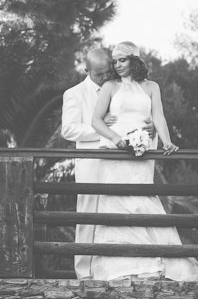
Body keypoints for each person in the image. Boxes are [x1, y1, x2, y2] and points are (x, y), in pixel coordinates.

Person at [88, 42, 198, 282]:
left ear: (135, 60)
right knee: (117, 202)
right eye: (115, 61)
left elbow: (158, 116)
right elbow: (96, 120)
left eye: (123, 60)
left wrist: (167, 141)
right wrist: (116, 139)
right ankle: (120, 265)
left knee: (142, 200)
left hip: (143, 152)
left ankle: (151, 262)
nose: (118, 65)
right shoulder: (109, 87)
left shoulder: (152, 87)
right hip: (116, 153)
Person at [61, 47, 154, 279]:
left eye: (107, 72)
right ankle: (84, 274)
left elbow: (132, 115)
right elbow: (69, 130)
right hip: (92, 165)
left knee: (115, 216)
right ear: (87, 70)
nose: (105, 77)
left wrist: (148, 129)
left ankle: (111, 269)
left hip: (119, 164)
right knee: (88, 217)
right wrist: (102, 129)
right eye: (100, 74)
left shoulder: (119, 87)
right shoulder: (74, 93)